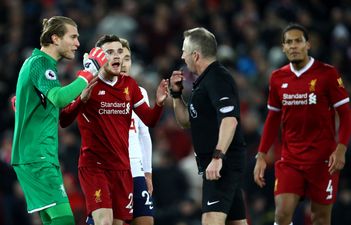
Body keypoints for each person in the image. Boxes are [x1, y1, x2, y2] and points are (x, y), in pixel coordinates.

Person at [59, 34, 168, 225]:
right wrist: (81, 99)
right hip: (95, 167)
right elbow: (64, 119)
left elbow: (149, 121)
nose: (117, 56)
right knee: (104, 222)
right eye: (110, 52)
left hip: (122, 168)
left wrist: (158, 104)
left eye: (119, 51)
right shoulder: (86, 82)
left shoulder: (130, 86)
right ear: (99, 58)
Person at [11, 16, 107, 225]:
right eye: (72, 37)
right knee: (64, 220)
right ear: (55, 38)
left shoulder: (35, 63)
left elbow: (54, 112)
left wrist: (80, 98)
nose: (77, 43)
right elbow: (60, 98)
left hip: (36, 155)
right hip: (38, 156)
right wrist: (88, 73)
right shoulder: (41, 63)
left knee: (53, 221)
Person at [253, 23, 351, 225]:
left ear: (308, 45)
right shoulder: (277, 77)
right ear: (283, 47)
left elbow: (346, 113)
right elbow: (272, 118)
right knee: (281, 214)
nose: (293, 46)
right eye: (289, 42)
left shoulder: (327, 74)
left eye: (298, 41)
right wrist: (261, 155)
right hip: (290, 160)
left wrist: (341, 149)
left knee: (320, 219)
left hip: (323, 161)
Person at [169, 27, 248, 225]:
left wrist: (218, 156)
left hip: (222, 164)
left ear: (195, 55)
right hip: (215, 164)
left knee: (211, 220)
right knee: (236, 221)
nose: (182, 56)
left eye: (184, 51)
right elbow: (186, 120)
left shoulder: (218, 78)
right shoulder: (202, 82)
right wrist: (177, 96)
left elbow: (229, 119)